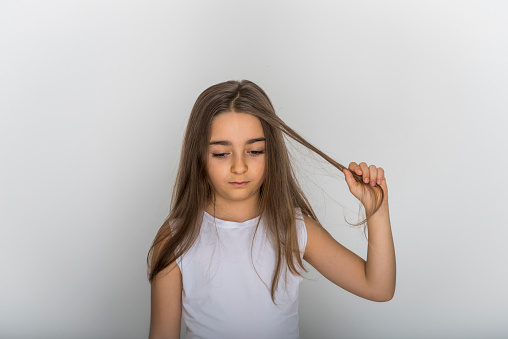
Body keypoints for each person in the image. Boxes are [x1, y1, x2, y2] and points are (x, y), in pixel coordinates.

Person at [147, 80, 395, 339]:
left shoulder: (293, 228)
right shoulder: (175, 239)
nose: (239, 166)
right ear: (198, 156)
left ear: (271, 153)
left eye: (254, 151)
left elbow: (378, 287)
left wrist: (376, 209)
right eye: (221, 153)